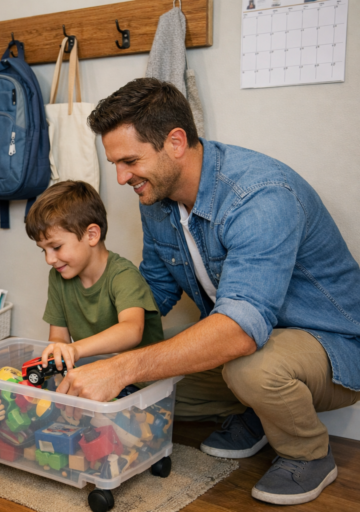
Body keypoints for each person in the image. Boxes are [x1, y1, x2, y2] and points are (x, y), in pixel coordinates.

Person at [54, 77, 360, 505]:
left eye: (130, 161)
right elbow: (152, 293)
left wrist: (121, 369)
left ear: (176, 142)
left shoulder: (261, 197)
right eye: (115, 164)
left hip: (332, 348)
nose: (121, 177)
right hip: (252, 341)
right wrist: (91, 349)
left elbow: (240, 331)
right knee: (146, 396)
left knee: (248, 369)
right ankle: (260, 415)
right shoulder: (156, 200)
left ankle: (307, 454)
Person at [25, 180, 163, 374]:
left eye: (56, 247)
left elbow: (132, 330)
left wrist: (75, 349)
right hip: (95, 375)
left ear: (91, 235)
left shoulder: (123, 275)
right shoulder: (58, 277)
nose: (49, 259)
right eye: (44, 250)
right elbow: (59, 338)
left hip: (139, 379)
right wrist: (59, 352)